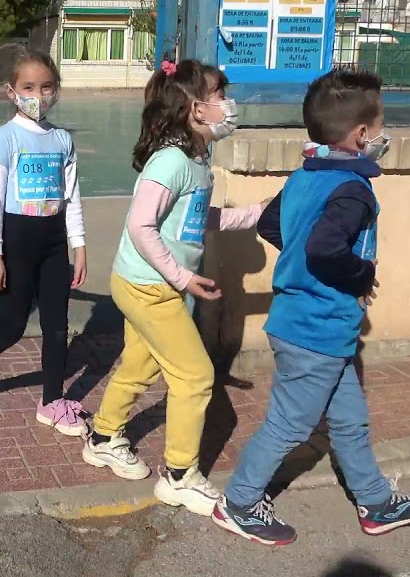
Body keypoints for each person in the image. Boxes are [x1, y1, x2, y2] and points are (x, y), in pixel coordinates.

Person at [212, 69, 410, 545]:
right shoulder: (352, 190)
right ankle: (239, 501)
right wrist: (361, 275)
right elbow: (323, 250)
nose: (382, 136)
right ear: (360, 135)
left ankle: (375, 502)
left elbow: (273, 226)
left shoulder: (304, 178)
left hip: (321, 330)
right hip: (313, 331)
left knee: (349, 420)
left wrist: (302, 257)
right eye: (379, 127)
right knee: (289, 423)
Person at [82, 59, 259, 515]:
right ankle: (180, 476)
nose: (228, 104)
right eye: (220, 95)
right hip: (147, 287)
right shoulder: (171, 161)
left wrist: (258, 213)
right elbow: (142, 226)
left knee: (139, 364)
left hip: (153, 285)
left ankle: (103, 437)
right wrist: (182, 278)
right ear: (196, 108)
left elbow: (195, 223)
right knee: (196, 377)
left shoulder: (197, 159)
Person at [0, 49, 88, 436]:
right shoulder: (3, 139)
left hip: (55, 242)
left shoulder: (62, 140)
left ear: (56, 91)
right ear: (12, 92)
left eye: (46, 87)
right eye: (28, 87)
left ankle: (52, 401)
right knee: (12, 323)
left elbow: (71, 196)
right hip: (17, 240)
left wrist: (79, 245)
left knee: (57, 325)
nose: (37, 95)